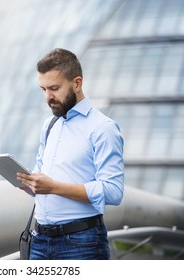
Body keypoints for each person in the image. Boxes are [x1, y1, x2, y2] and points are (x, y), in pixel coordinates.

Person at [16, 48, 124, 260]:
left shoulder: (103, 128)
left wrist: (54, 187)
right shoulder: (50, 125)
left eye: (54, 88)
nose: (48, 97)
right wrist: (30, 184)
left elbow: (113, 191)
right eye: (43, 89)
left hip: (82, 243)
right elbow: (42, 172)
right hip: (39, 240)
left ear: (77, 83)